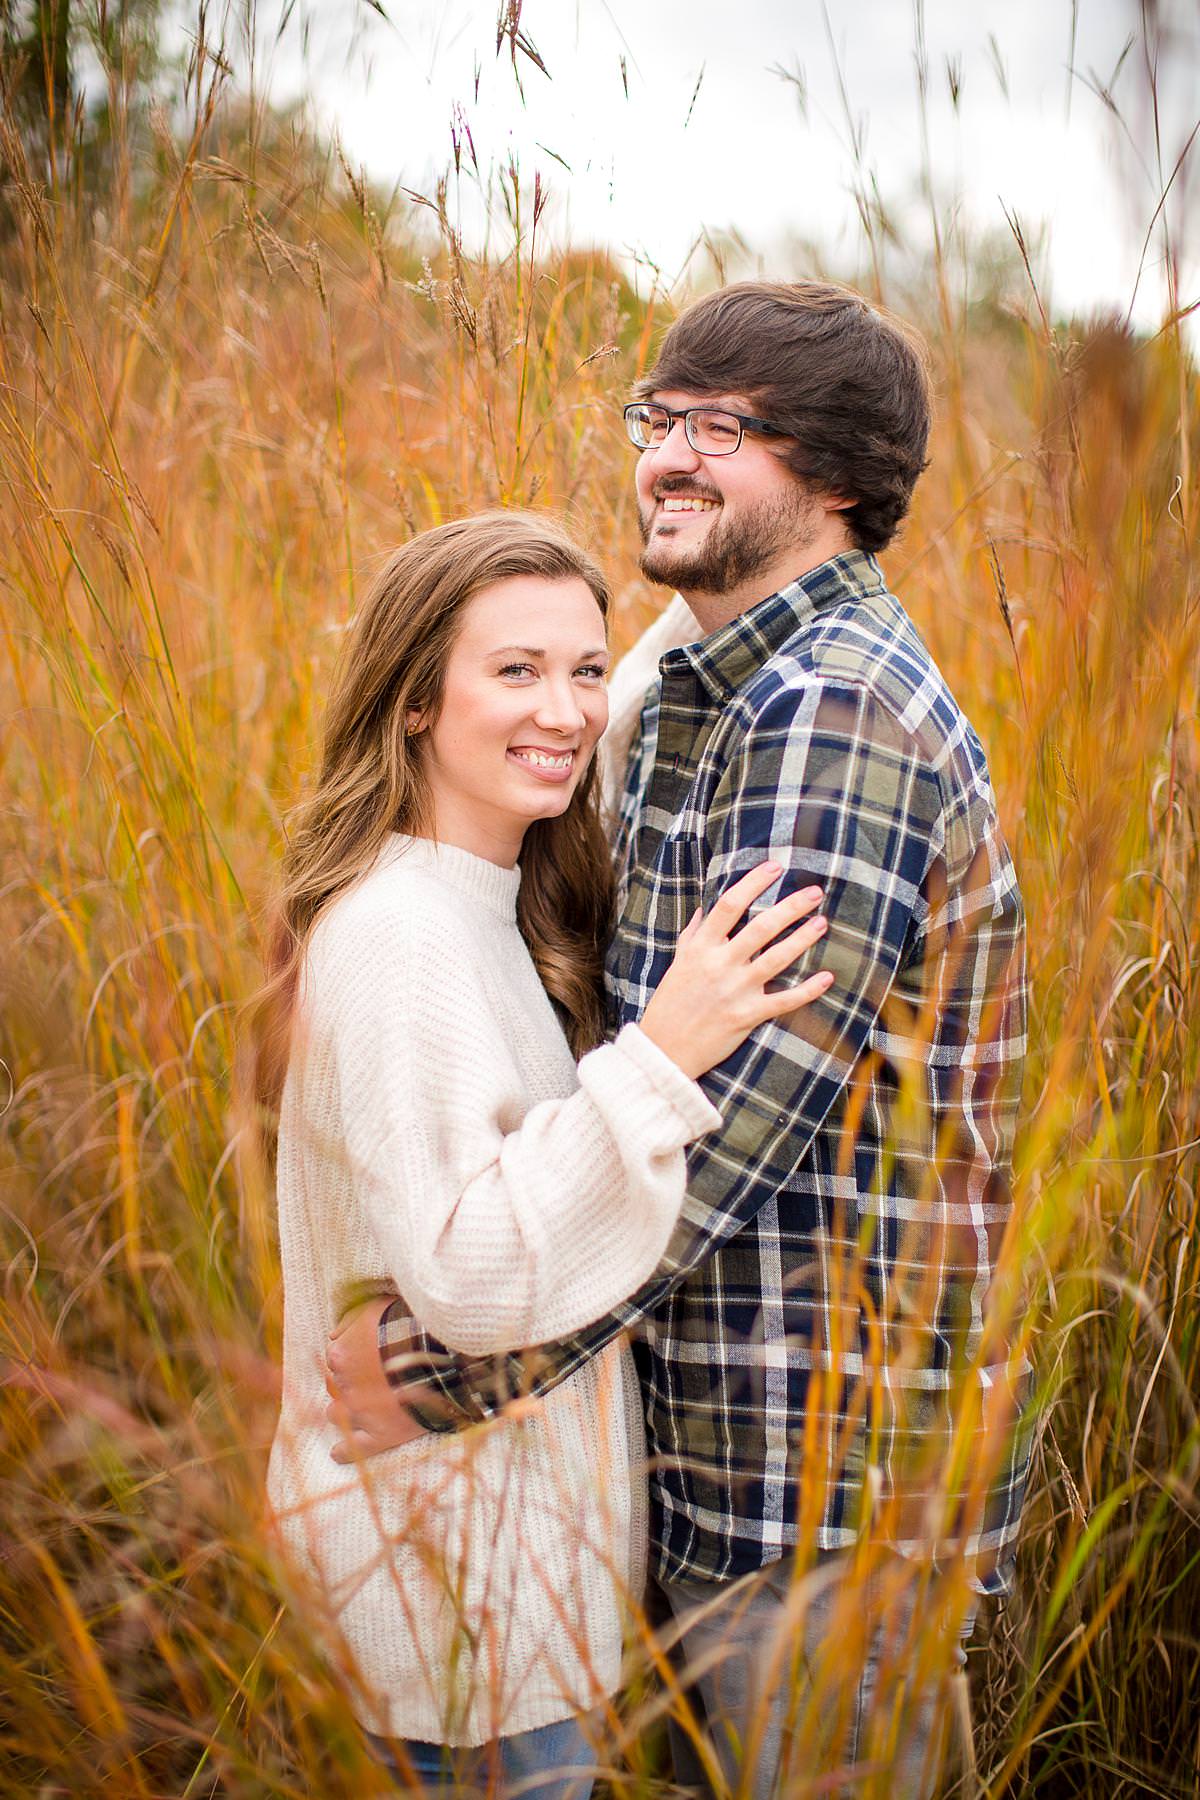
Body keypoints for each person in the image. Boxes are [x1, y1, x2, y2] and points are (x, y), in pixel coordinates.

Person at [326, 281, 1031, 1797]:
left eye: (728, 430)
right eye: (659, 418)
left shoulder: (828, 718)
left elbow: (720, 1136)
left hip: (824, 1513)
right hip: (718, 1487)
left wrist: (430, 1372)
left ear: (840, 481)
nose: (671, 457)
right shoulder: (714, 680)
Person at [262, 511, 835, 1796]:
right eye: (515, 671)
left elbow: (608, 693)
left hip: (502, 1609)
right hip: (454, 1619)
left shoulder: (483, 894)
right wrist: (664, 1051)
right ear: (415, 702)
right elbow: (468, 1279)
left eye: (583, 671)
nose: (569, 712)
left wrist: (738, 558)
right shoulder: (405, 939)